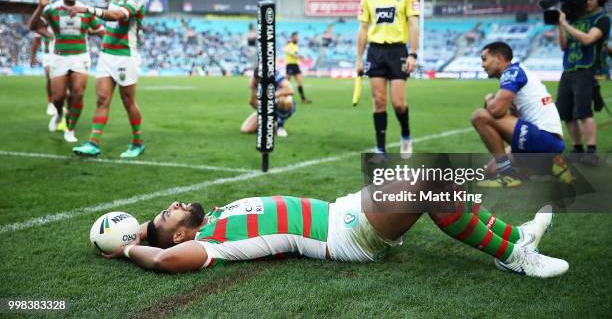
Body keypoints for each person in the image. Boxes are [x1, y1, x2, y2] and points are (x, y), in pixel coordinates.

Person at [101, 179, 568, 279]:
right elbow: (162, 258)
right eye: (168, 215)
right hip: (345, 238)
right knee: (430, 187)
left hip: (342, 209)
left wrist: (139, 228)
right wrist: (127, 250)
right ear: (183, 234)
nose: (173, 206)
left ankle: (514, 237)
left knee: (439, 180)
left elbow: (157, 235)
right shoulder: (209, 245)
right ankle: (515, 257)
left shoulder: (212, 217)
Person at [70, 0, 145, 158]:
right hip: (106, 55)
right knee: (102, 99)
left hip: (125, 57)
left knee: (128, 101)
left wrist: (86, 9)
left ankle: (137, 142)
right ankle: (93, 143)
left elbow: (117, 15)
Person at [471, 42, 567, 188]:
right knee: (490, 170)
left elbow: (496, 111)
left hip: (543, 137)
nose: (482, 65)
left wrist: (489, 99)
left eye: (484, 59)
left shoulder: (512, 72)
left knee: (479, 116)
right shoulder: (518, 71)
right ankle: (551, 166)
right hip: (547, 140)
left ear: (498, 58)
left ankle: (508, 176)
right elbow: (513, 119)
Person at [355, 0, 420, 158]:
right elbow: (363, 28)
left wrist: (412, 54)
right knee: (379, 101)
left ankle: (406, 136)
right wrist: (358, 57)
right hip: (375, 52)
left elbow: (413, 25)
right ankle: (380, 148)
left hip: (398, 51)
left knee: (398, 102)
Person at [28, 0, 104, 142]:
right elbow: (32, 26)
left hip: (80, 57)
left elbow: (101, 32)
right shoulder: (52, 9)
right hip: (59, 57)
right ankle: (59, 114)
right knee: (58, 98)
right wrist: (40, 7)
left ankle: (70, 129)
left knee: (78, 93)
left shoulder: (85, 10)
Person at [556, 0, 610, 166]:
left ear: (599, 0)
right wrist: (560, 26)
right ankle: (578, 149)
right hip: (568, 68)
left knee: (584, 112)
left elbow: (588, 39)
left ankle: (592, 151)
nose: (586, 1)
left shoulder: (602, 19)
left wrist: (565, 24)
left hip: (586, 69)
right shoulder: (574, 19)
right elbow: (564, 46)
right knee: (566, 113)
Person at [242, 70, 295, 137]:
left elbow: (290, 90)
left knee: (285, 101)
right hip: (267, 107)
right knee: (246, 129)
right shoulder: (253, 81)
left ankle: (280, 126)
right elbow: (253, 102)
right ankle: (273, 124)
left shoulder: (276, 75)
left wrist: (273, 95)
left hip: (280, 102)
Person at [30, 24, 56, 116]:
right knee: (49, 76)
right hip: (48, 54)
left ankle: (60, 101)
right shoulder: (43, 23)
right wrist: (33, 56)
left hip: (62, 53)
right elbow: (36, 41)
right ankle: (51, 103)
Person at [284, 32, 312, 104]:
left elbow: (296, 55)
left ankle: (303, 98)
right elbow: (293, 55)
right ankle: (282, 96)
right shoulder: (288, 46)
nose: (297, 38)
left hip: (296, 65)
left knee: (300, 82)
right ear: (292, 37)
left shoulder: (296, 46)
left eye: (297, 37)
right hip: (290, 65)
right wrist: (301, 57)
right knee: (286, 82)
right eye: (296, 37)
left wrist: (300, 57)